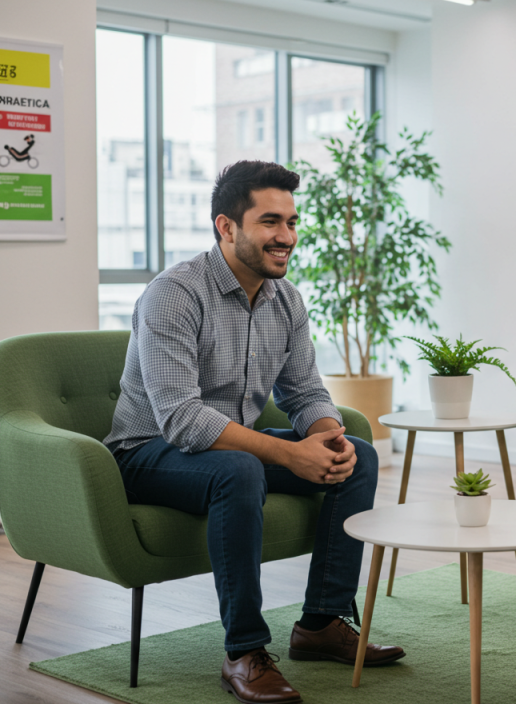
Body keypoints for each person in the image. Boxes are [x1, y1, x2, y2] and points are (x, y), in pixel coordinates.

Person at [104, 161, 404, 704]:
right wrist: (289, 457)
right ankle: (244, 650)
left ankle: (320, 624)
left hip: (228, 449)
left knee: (356, 453)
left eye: (291, 222)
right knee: (241, 467)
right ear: (227, 226)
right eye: (271, 222)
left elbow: (306, 392)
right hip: (148, 454)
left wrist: (327, 437)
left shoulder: (284, 299)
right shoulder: (173, 294)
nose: (286, 236)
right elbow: (182, 420)